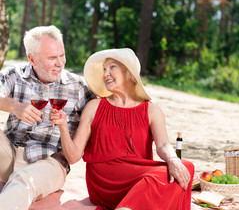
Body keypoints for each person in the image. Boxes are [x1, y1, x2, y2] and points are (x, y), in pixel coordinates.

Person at [50, 48, 195, 210]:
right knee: (159, 180)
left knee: (185, 167)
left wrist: (173, 159)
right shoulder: (94, 107)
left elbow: (163, 145)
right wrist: (62, 126)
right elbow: (73, 157)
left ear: (129, 73)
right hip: (104, 180)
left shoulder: (152, 110)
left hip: (138, 179)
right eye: (104, 69)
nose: (106, 73)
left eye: (112, 67)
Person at [0, 25, 96, 209]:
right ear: (32, 59)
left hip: (50, 162)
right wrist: (14, 106)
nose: (60, 63)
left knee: (24, 180)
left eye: (62, 55)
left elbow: (107, 111)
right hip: (10, 152)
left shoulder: (79, 87)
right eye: (52, 58)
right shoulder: (15, 75)